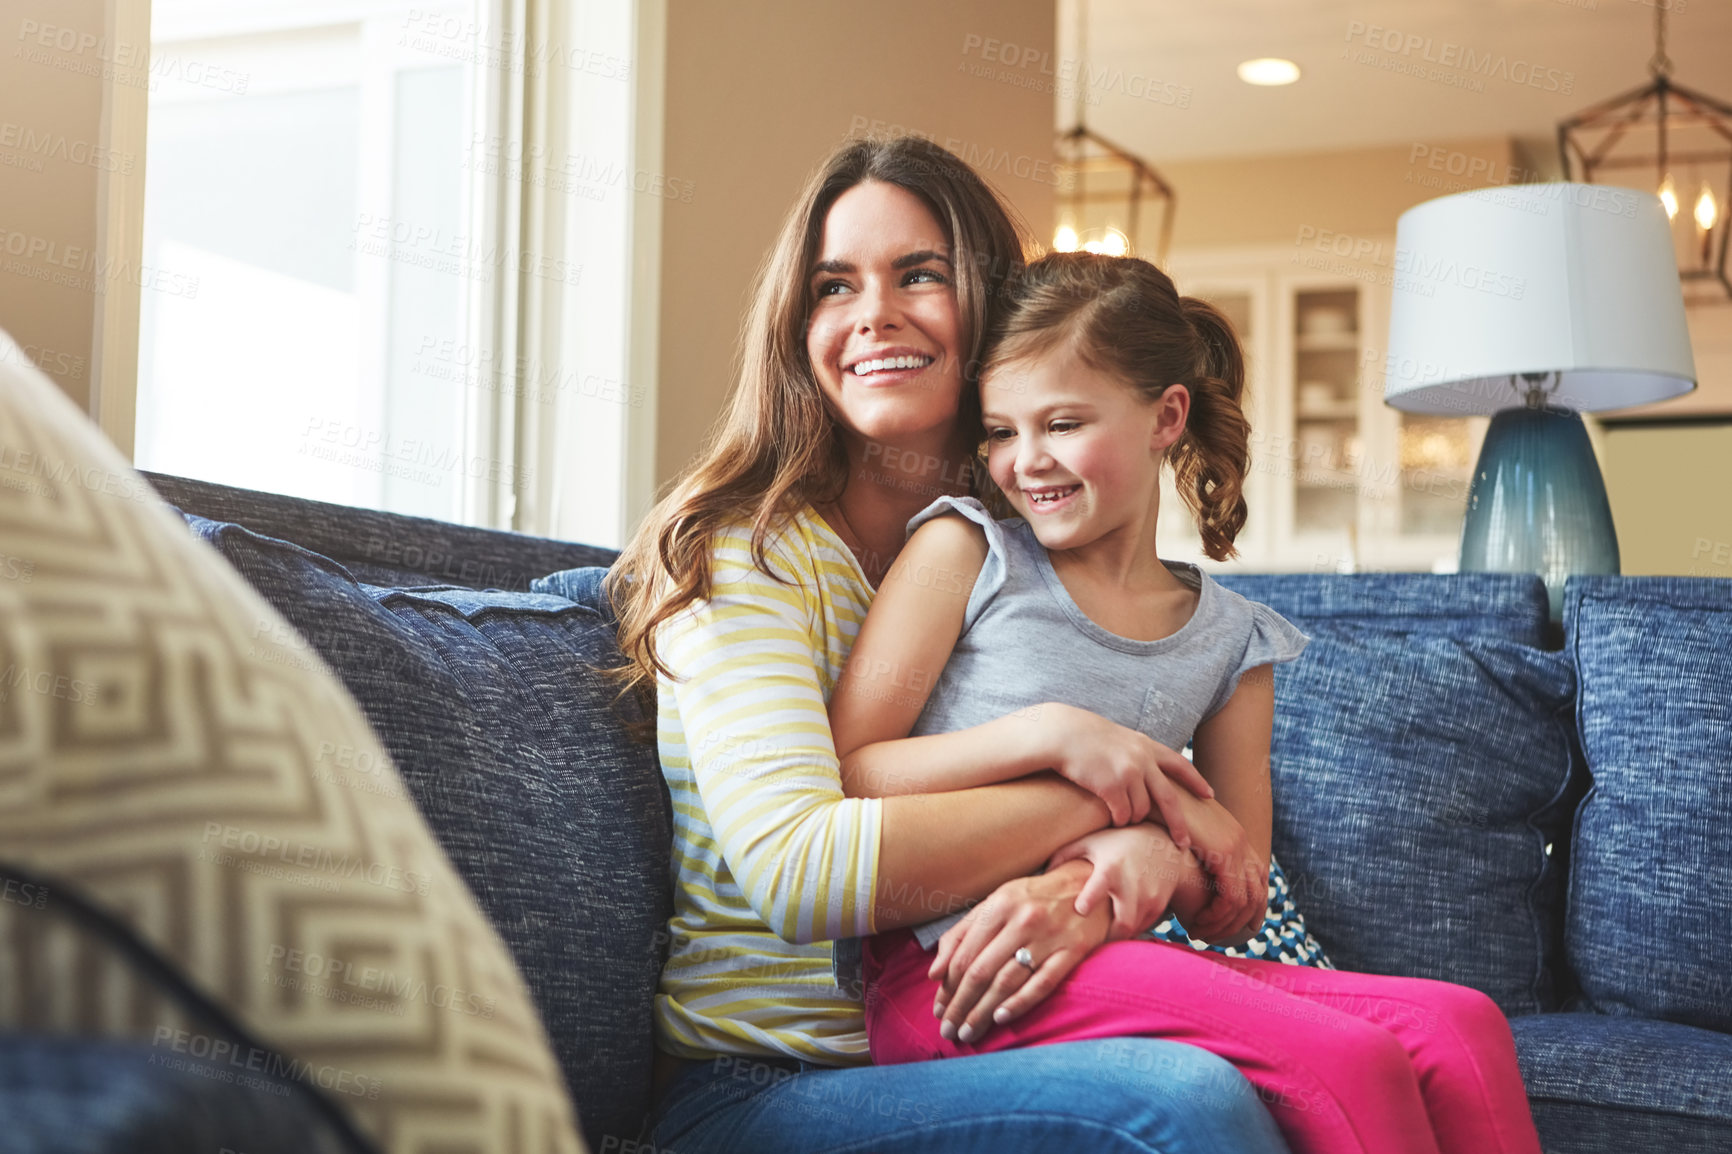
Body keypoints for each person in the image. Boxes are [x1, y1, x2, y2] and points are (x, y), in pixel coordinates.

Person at [606, 136, 1293, 1152]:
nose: (873, 313)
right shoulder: (748, 555)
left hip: (995, 1037)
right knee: (1182, 1105)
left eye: (917, 275)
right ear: (797, 327)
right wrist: (1111, 782)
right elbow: (801, 872)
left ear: (996, 310)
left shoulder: (1023, 553)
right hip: (766, 1085)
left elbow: (1197, 860)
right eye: (834, 285)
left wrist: (1137, 851)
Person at [830, 250, 1546, 1154]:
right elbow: (853, 769)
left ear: (1167, 415)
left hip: (1112, 950)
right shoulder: (966, 554)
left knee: (1461, 1028)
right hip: (951, 966)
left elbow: (1233, 893)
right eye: (1001, 431)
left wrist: (1147, 857)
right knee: (1349, 1061)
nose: (1026, 461)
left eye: (1063, 423)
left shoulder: (1234, 640)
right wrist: (1057, 736)